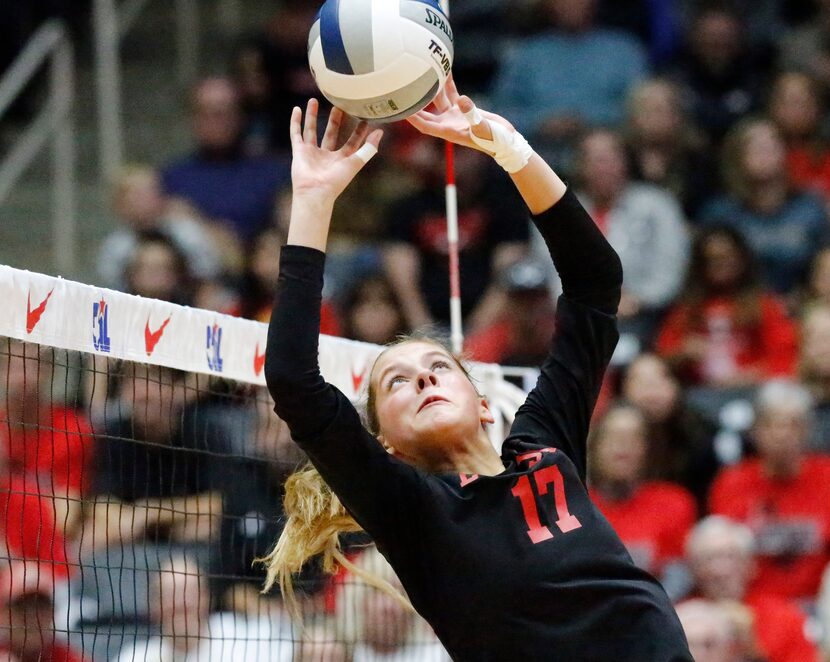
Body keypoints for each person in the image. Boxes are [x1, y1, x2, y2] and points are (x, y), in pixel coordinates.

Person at [260, 79, 692, 660]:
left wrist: (511, 150)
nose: (422, 379)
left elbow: (595, 286)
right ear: (386, 442)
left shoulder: (542, 442)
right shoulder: (412, 508)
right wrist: (313, 201)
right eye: (396, 381)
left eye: (438, 366)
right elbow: (293, 381)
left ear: (484, 401)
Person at [709, 379, 830, 601]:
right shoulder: (732, 482)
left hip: (819, 604)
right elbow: (721, 556)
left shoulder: (826, 476)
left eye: (793, 424)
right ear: (755, 431)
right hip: (749, 605)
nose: (781, 434)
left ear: (808, 430)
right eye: (771, 424)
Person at [654, 226, 798, 388]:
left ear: (742, 260)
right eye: (712, 259)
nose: (720, 265)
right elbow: (662, 358)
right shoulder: (687, 309)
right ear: (700, 265)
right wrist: (683, 353)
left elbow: (785, 356)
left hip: (753, 390)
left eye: (727, 258)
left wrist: (754, 375)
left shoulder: (764, 305)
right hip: (699, 393)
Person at [587, 403, 697, 591]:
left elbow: (680, 577)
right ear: (594, 448)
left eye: (633, 438)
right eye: (613, 437)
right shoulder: (571, 506)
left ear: (647, 450)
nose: (622, 446)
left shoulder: (674, 503)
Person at [684, 516, 820, 662]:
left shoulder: (786, 619)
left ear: (751, 565)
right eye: (708, 559)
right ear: (692, 568)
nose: (720, 570)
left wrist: (752, 651)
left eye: (730, 557)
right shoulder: (678, 618)